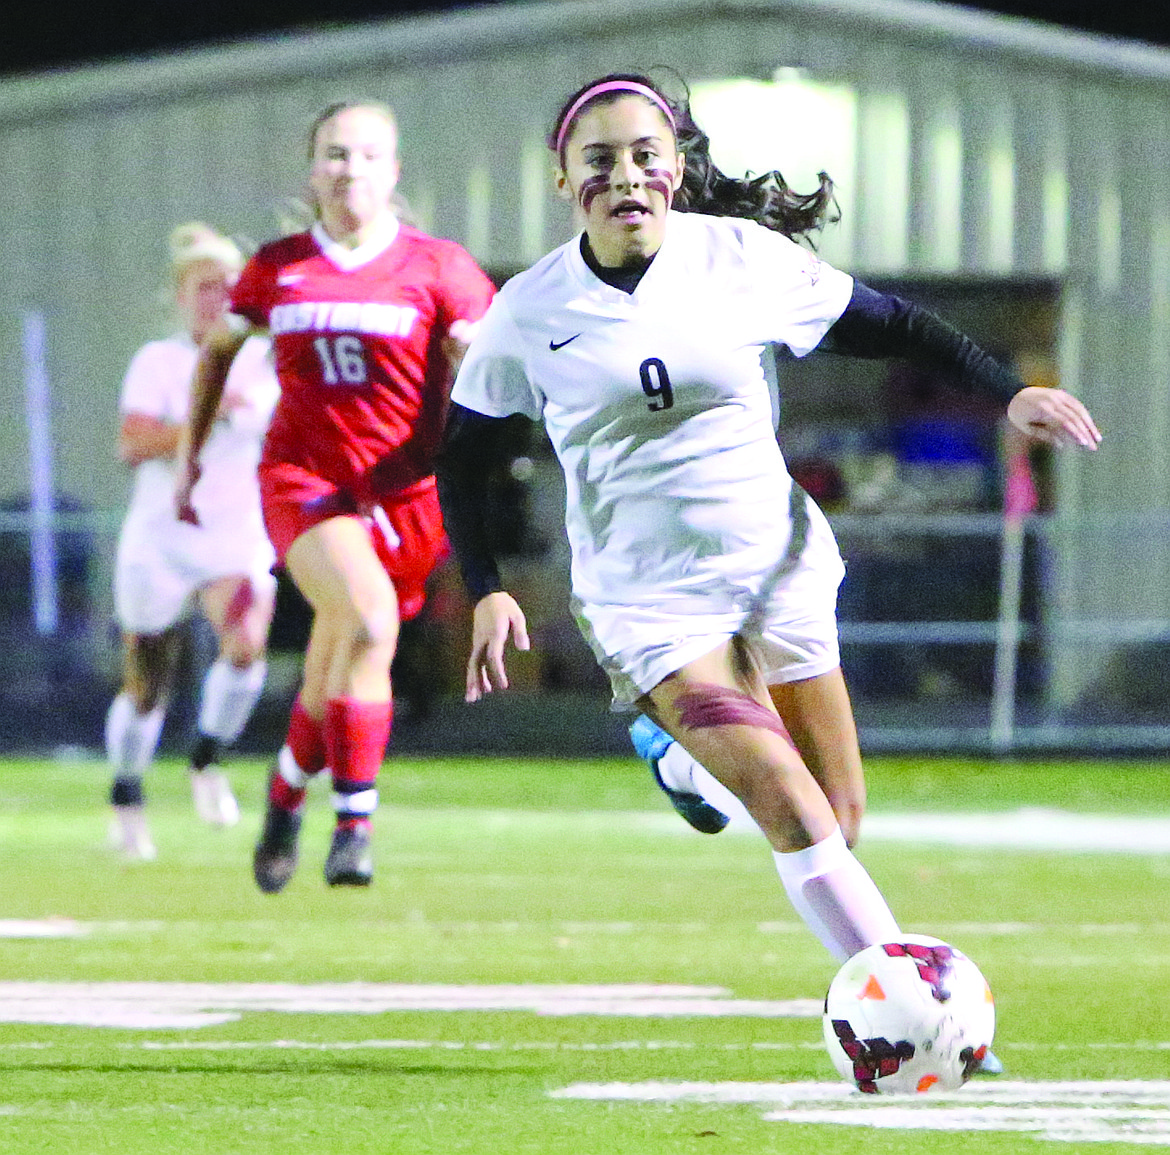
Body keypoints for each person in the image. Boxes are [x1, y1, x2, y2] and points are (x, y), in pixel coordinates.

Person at [438, 73, 1100, 1000]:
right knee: (789, 804)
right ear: (562, 181)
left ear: (673, 166)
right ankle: (911, 1007)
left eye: (643, 155)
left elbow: (892, 323)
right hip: (650, 599)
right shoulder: (527, 312)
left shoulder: (741, 258)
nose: (625, 176)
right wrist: (488, 584)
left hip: (776, 567)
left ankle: (684, 764)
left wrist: (1009, 390)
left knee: (838, 815)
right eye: (599, 160)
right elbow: (462, 460)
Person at [175, 100, 495, 893]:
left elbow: (497, 366)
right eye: (333, 154)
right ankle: (354, 823)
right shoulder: (281, 265)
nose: (348, 168)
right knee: (370, 618)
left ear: (393, 170)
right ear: (312, 169)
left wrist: (472, 360)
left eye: (365, 155)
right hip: (306, 484)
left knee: (344, 651)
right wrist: (190, 457)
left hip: (407, 494)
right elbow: (216, 354)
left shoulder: (440, 266)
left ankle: (285, 795)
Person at [108, 222, 279, 860]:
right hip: (162, 536)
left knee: (246, 643)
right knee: (149, 679)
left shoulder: (264, 361)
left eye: (229, 286)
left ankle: (206, 758)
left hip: (234, 534)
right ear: (180, 295)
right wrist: (204, 415)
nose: (218, 298)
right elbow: (132, 442)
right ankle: (126, 793)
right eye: (205, 287)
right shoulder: (160, 361)